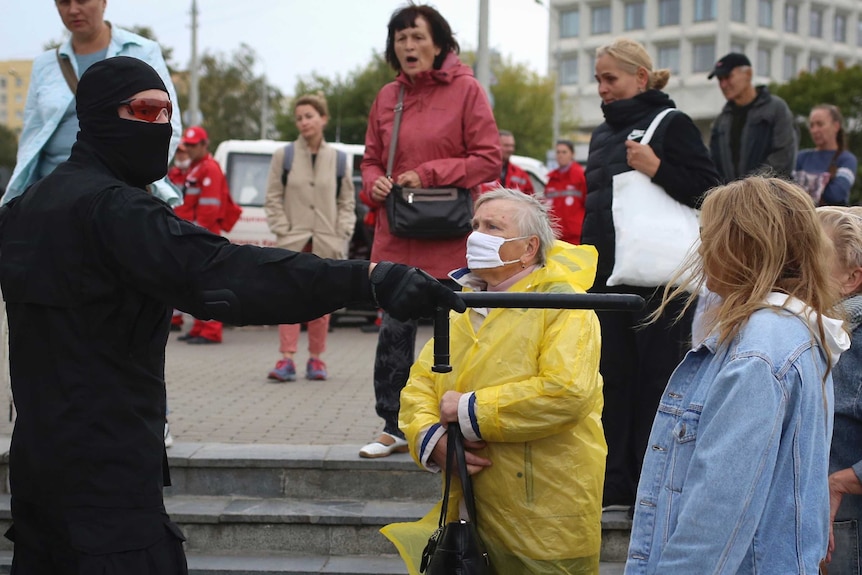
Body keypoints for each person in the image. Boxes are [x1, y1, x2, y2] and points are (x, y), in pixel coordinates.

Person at [0, 56, 466, 574]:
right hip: (105, 474)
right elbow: (227, 273)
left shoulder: (26, 206)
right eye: (147, 110)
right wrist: (367, 279)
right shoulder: (117, 210)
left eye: (166, 115)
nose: (163, 128)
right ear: (100, 115)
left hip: (39, 467)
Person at [624, 176, 849, 574]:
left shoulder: (760, 349)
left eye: (708, 234)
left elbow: (717, 509)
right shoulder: (790, 330)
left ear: (741, 245)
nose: (700, 247)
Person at [383, 187, 605, 574]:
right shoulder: (460, 306)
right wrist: (430, 440)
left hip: (546, 516)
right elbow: (419, 385)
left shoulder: (565, 306)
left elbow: (566, 391)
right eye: (475, 225)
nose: (476, 236)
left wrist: (466, 408)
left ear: (528, 247)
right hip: (473, 513)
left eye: (492, 226)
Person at [582, 38, 719, 511]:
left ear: (641, 77)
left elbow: (713, 192)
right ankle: (613, 481)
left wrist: (656, 167)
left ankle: (651, 482)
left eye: (610, 78)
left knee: (657, 381)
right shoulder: (602, 135)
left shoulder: (671, 123)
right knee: (611, 378)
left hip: (660, 284)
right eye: (598, 79)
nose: (602, 88)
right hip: (605, 281)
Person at [358, 3, 500, 458]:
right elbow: (371, 159)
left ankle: (457, 422)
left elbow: (487, 159)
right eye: (401, 39)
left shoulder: (467, 89)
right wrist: (373, 182)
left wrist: (429, 172)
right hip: (398, 232)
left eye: (417, 37)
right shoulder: (387, 96)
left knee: (457, 333)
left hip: (454, 235)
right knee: (394, 331)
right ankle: (393, 426)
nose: (409, 46)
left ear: (439, 43)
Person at [3, 0, 182, 207]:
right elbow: (31, 140)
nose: (73, 10)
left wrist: (134, 180)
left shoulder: (142, 52)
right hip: (55, 197)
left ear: (104, 2)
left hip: (122, 196)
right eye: (63, 2)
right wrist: (19, 201)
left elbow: (168, 123)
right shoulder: (44, 65)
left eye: (82, 0)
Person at [263, 93, 356, 382]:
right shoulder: (285, 155)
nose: (304, 122)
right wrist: (283, 228)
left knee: (321, 300)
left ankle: (316, 359)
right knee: (287, 298)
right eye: (299, 117)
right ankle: (286, 358)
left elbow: (346, 202)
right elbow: (273, 197)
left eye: (309, 116)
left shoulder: (339, 159)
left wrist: (341, 232)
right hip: (294, 239)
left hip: (326, 240)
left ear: (323, 119)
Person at [818, 206, 862, 574]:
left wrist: (841, 483)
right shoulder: (828, 331)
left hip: (846, 533)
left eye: (814, 256)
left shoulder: (852, 340)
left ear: (851, 278)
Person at [174, 125, 238, 345]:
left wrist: (197, 234)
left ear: (204, 145)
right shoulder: (196, 167)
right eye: (187, 145)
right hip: (197, 233)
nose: (189, 149)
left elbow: (210, 207)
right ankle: (199, 327)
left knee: (210, 285)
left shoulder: (209, 168)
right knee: (195, 284)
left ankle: (211, 330)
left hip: (205, 234)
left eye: (193, 145)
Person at [708, 52, 797, 182]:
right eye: (720, 79)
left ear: (748, 74)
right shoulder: (721, 121)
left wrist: (752, 188)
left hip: (771, 197)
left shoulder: (776, 109)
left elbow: (783, 156)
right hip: (734, 199)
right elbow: (714, 164)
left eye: (727, 77)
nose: (723, 85)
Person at [794, 104, 858, 206]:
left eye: (820, 124)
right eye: (811, 125)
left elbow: (835, 195)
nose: (814, 130)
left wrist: (804, 187)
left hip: (832, 219)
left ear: (836, 126)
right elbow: (788, 193)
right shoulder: (801, 157)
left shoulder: (846, 159)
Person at [544, 139, 587, 244]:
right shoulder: (551, 179)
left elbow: (588, 204)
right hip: (556, 236)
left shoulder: (580, 176)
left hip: (575, 235)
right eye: (558, 152)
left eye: (564, 152)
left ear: (572, 154)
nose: (560, 155)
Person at [479, 130, 535, 195]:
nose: (510, 149)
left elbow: (531, 199)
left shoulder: (520, 174)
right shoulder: (481, 171)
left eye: (512, 146)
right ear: (495, 146)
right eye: (506, 146)